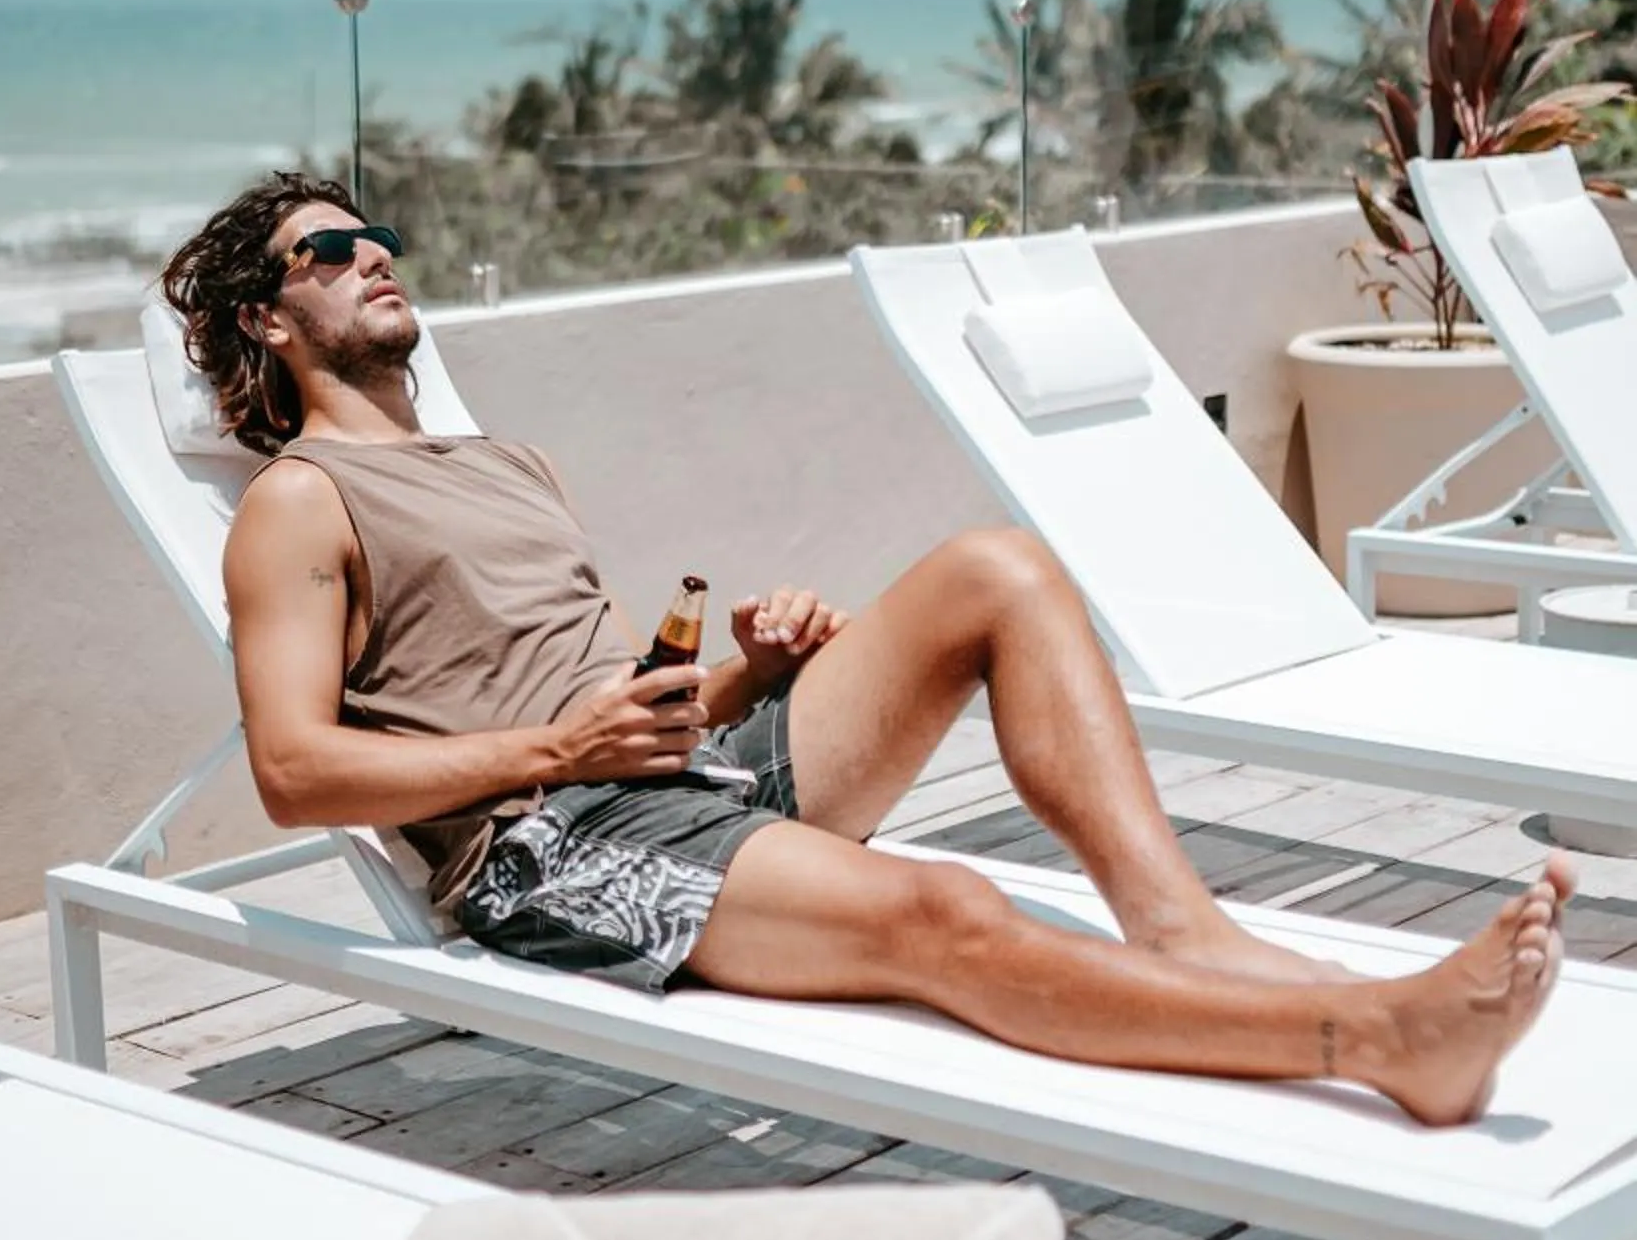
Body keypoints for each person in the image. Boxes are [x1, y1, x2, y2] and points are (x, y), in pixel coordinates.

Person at [163, 171, 1570, 1130]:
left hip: (673, 782)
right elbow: (293, 772)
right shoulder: (299, 501)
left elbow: (621, 707)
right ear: (268, 319)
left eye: (378, 235)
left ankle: (1185, 930)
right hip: (554, 839)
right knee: (939, 913)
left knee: (994, 568)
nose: (374, 257)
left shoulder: (508, 461)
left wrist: (750, 678)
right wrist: (559, 753)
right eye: (330, 253)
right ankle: (1376, 1043)